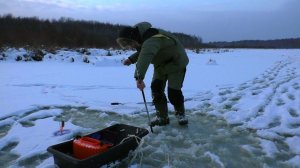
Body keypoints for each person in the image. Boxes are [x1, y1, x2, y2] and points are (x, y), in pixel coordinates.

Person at [116, 22, 189, 126]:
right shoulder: (143, 38)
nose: (131, 47)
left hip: (176, 63)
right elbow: (143, 51)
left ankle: (181, 114)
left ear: (133, 38)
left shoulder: (152, 39)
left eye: (130, 44)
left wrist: (139, 78)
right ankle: (162, 117)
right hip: (161, 65)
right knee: (156, 89)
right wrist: (131, 59)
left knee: (173, 92)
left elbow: (146, 54)